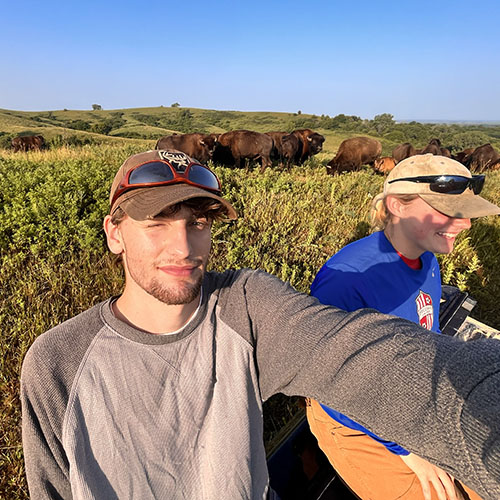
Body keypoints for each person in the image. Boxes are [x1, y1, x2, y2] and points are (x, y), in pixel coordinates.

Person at [20, 149, 500, 500]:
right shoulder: (57, 361)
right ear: (114, 233)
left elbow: (370, 357)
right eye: (157, 224)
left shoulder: (245, 307)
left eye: (199, 223)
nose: (186, 248)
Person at [306, 153, 500, 500]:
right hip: (354, 417)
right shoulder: (347, 280)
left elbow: (429, 333)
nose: (466, 224)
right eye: (446, 210)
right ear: (397, 205)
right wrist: (406, 450)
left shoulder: (427, 259)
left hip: (412, 394)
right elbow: (329, 384)